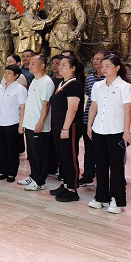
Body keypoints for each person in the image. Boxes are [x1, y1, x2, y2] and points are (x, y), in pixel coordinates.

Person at [87, 55, 131, 214]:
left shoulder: (125, 87)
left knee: (116, 167)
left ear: (117, 67)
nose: (104, 68)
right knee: (100, 165)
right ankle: (101, 197)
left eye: (108, 66)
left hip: (116, 132)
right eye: (103, 66)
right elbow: (93, 106)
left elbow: (128, 111)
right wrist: (89, 125)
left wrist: (126, 132)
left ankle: (117, 200)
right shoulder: (97, 86)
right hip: (98, 130)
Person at [50, 56, 85, 202]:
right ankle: (65, 184)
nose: (60, 67)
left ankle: (72, 189)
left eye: (64, 65)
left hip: (70, 125)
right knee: (62, 156)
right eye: (60, 65)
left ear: (73, 68)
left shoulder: (74, 84)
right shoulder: (62, 83)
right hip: (58, 124)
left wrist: (65, 128)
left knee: (70, 156)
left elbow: (72, 109)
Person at [17, 55, 55, 191]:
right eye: (30, 63)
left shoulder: (47, 82)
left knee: (40, 154)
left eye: (33, 63)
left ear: (42, 65)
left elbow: (46, 104)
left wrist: (40, 122)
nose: (30, 65)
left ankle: (40, 181)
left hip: (39, 125)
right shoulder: (34, 80)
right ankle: (33, 176)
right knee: (32, 154)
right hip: (29, 123)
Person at [0, 64, 27, 182]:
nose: (6, 75)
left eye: (9, 73)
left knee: (12, 149)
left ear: (16, 76)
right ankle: (3, 171)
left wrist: (21, 125)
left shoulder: (20, 89)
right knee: (1, 149)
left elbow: (23, 108)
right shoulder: (2, 87)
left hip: (12, 123)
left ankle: (12, 173)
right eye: (5, 72)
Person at [79, 51, 106, 187]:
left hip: (104, 119)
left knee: (102, 151)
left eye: (98, 59)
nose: (95, 61)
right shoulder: (90, 78)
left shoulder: (110, 79)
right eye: (94, 59)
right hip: (88, 118)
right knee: (89, 149)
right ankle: (88, 175)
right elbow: (89, 96)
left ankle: (103, 177)